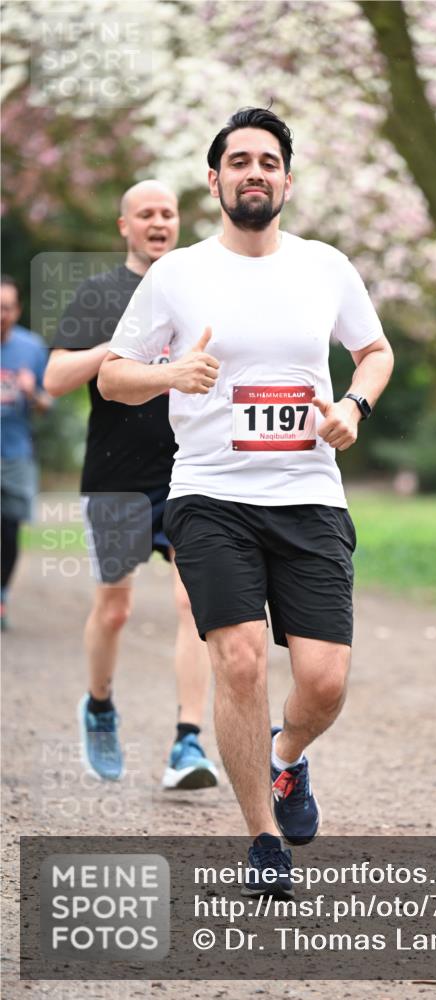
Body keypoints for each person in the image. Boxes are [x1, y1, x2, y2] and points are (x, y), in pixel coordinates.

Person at [98, 108, 393, 896]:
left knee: (325, 681)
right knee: (239, 656)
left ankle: (285, 756)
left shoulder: (325, 266)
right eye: (239, 160)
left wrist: (353, 408)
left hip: (308, 496)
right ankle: (262, 838)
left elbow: (373, 351)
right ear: (215, 179)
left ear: (286, 182)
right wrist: (169, 376)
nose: (253, 171)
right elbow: (112, 374)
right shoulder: (178, 275)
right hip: (210, 495)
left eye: (268, 161)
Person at [44, 181, 218, 791]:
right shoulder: (100, 292)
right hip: (116, 480)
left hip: (188, 472)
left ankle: (187, 742)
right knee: (114, 610)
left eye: (168, 213)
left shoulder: (193, 289)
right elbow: (56, 376)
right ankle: (99, 705)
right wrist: (114, 348)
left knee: (194, 606)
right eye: (146, 214)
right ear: (125, 226)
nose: (158, 222)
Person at [1, 275, 52, 631]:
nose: (0, 314)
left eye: (6, 307)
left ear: (17, 310)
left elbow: (48, 403)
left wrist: (32, 393)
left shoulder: (32, 348)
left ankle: (1, 595)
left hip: (15, 455)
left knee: (8, 530)